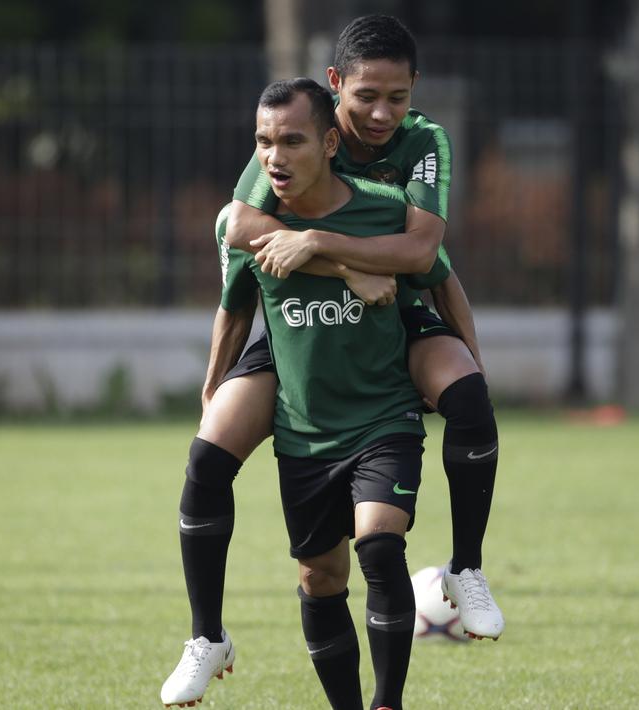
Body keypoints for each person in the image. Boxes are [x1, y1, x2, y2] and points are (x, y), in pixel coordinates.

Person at [161, 14, 504, 707]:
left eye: (397, 97)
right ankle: (206, 636)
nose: (381, 113)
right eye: (365, 97)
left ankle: (465, 569)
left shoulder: (419, 146)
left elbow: (424, 258)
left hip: (391, 316)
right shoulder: (291, 138)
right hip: (297, 328)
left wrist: (319, 244)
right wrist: (339, 268)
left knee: (467, 400)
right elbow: (235, 226)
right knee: (207, 462)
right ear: (335, 87)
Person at [207, 78, 431, 710]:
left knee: (381, 544)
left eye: (292, 141)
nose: (274, 157)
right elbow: (233, 307)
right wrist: (212, 383)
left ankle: (389, 703)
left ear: (331, 143)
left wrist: (469, 372)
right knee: (319, 576)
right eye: (263, 142)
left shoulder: (387, 207)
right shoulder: (257, 227)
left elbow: (437, 270)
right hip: (305, 433)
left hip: (385, 416)